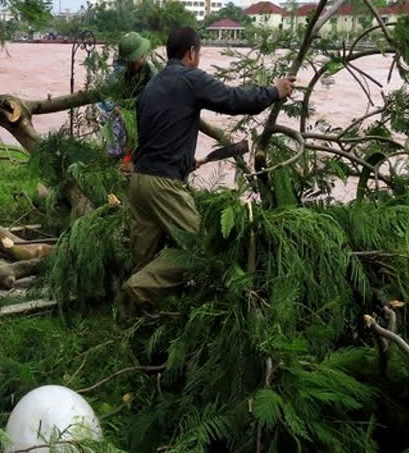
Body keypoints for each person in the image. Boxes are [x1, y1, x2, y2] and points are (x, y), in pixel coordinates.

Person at [122, 26, 295, 309]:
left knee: (144, 259)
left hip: (140, 181)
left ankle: (133, 322)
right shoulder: (191, 79)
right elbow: (234, 100)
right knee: (198, 249)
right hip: (164, 185)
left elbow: (152, 135)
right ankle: (134, 290)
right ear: (192, 52)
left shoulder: (150, 87)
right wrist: (273, 91)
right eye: (199, 52)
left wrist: (181, 159)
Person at [98, 32, 158, 158]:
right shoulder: (120, 73)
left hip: (139, 115)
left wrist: (123, 108)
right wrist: (114, 107)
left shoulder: (152, 75)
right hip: (119, 114)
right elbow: (105, 95)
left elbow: (149, 102)